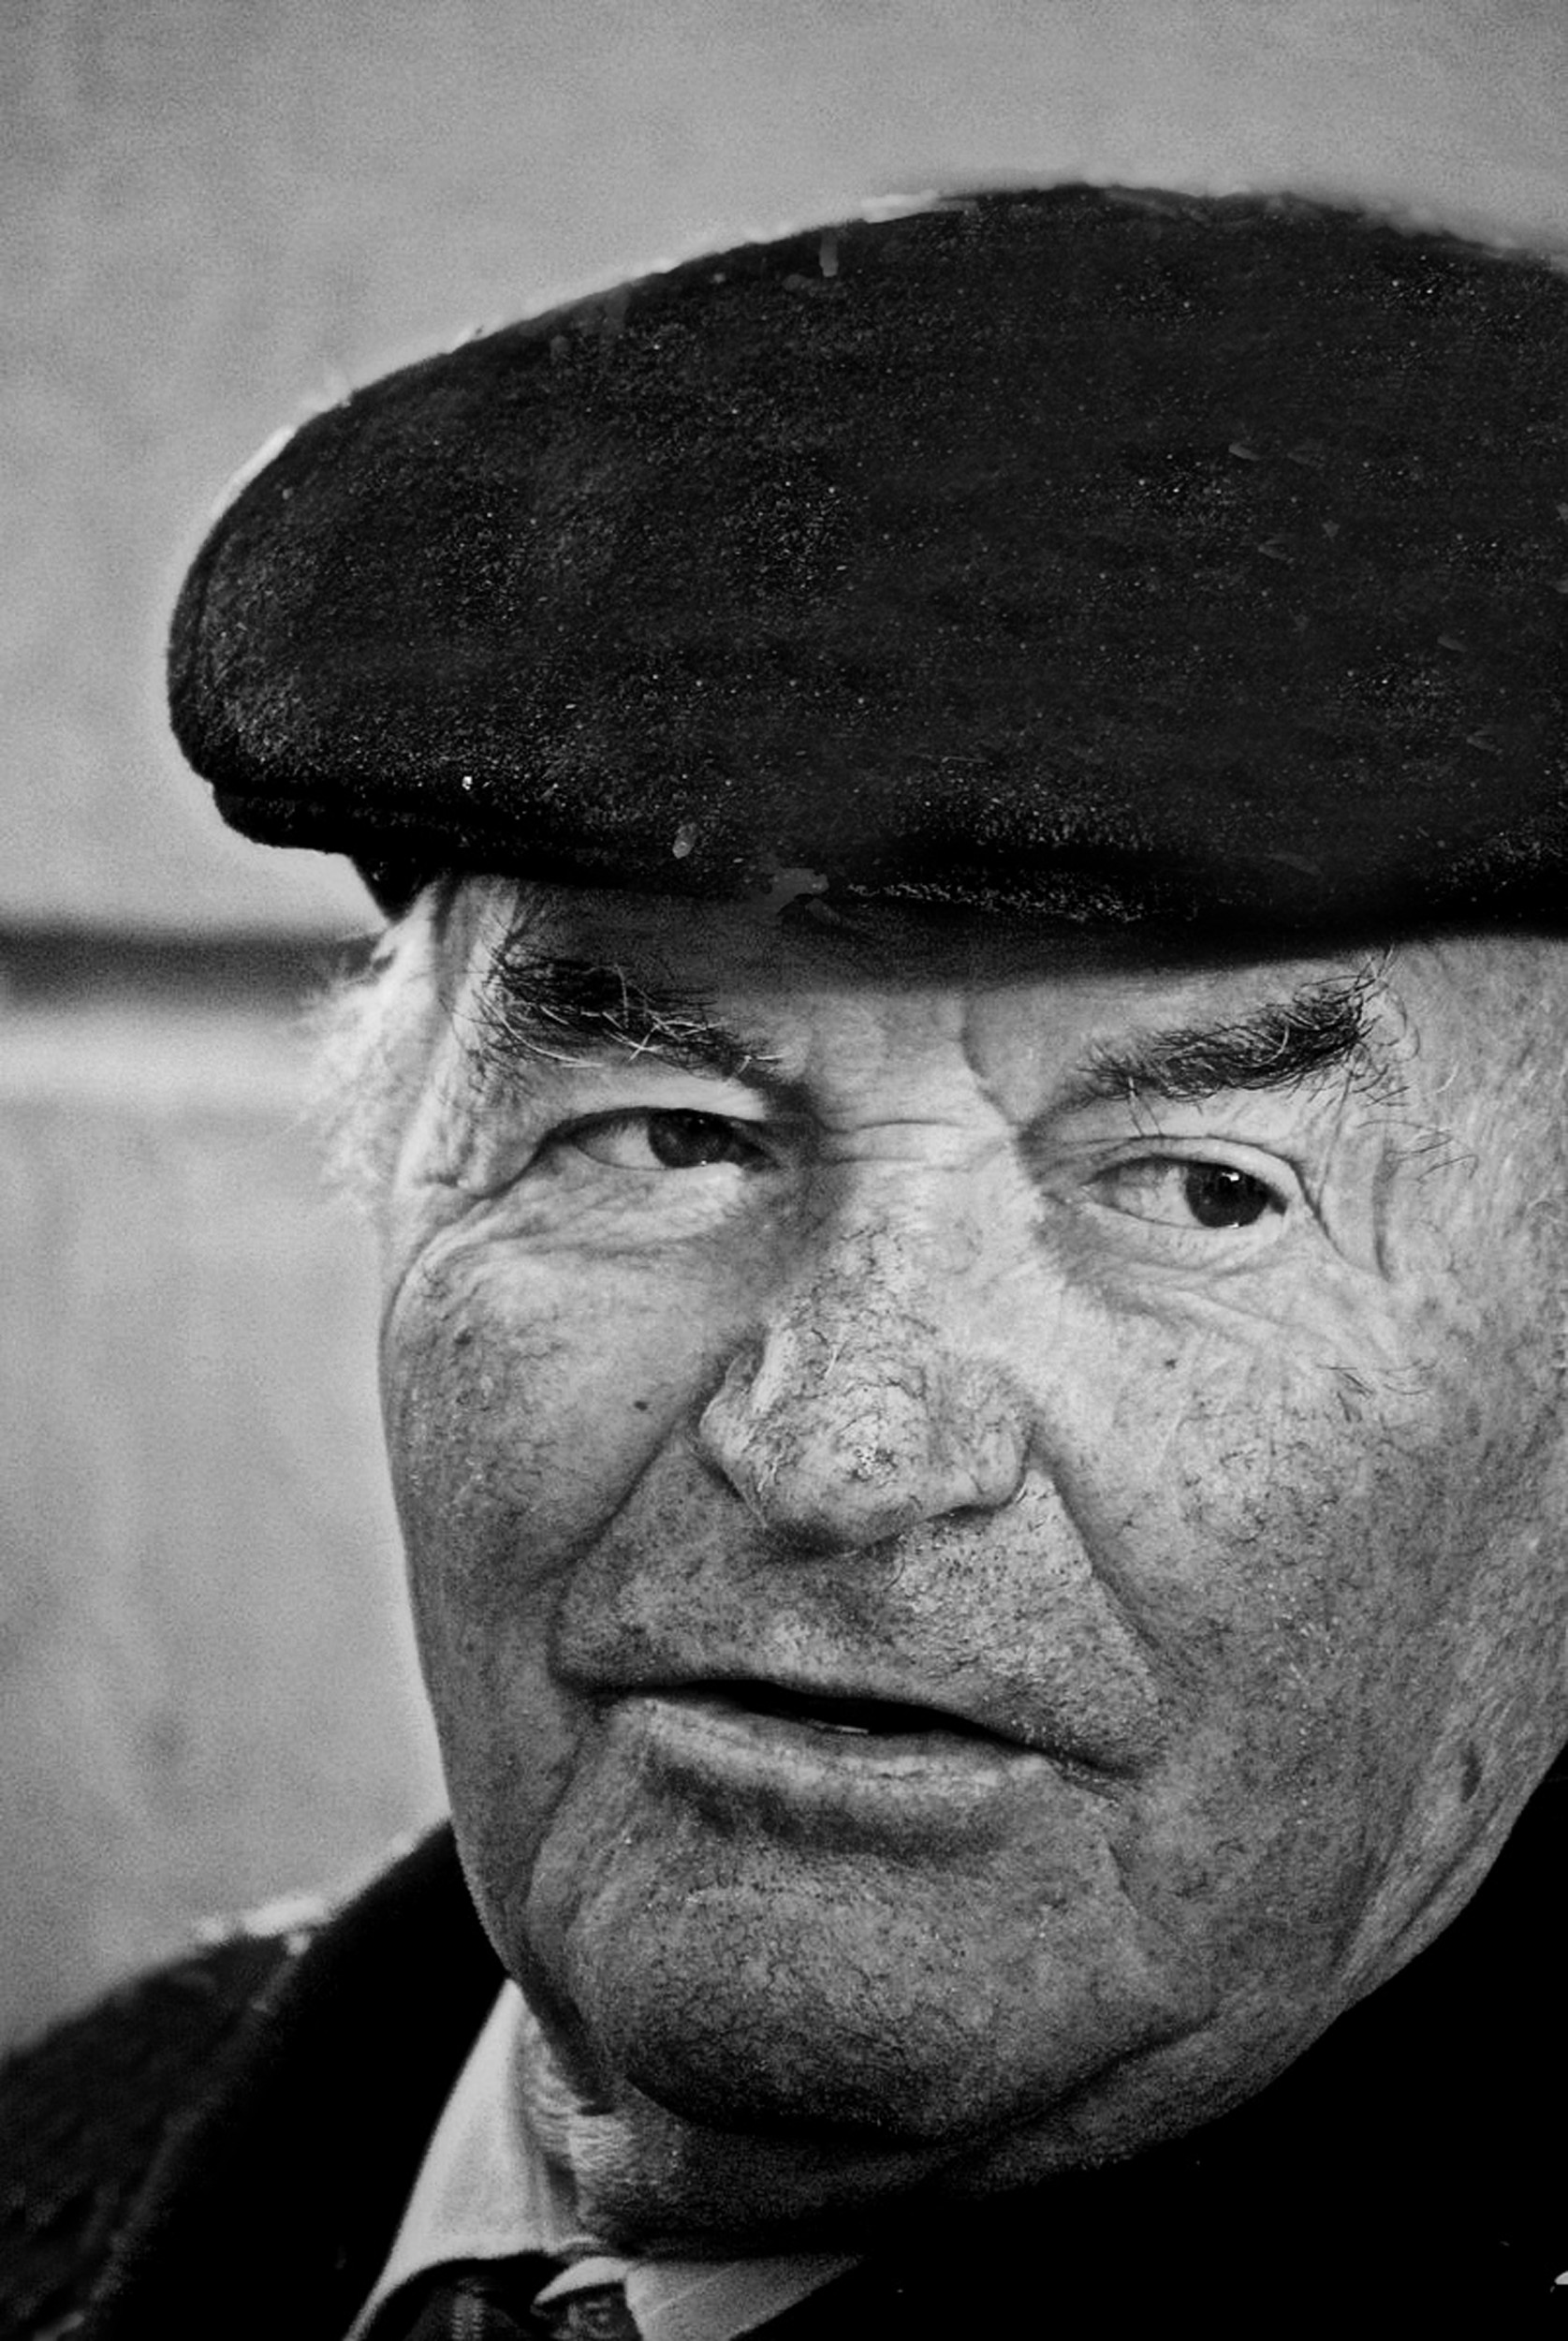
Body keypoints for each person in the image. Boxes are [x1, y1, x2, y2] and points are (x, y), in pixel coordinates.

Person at [5, 183, 1568, 2334]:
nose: (833, 1449)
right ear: (406, 1176)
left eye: (1205, 1188)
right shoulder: (72, 2148)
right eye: (670, 1134)